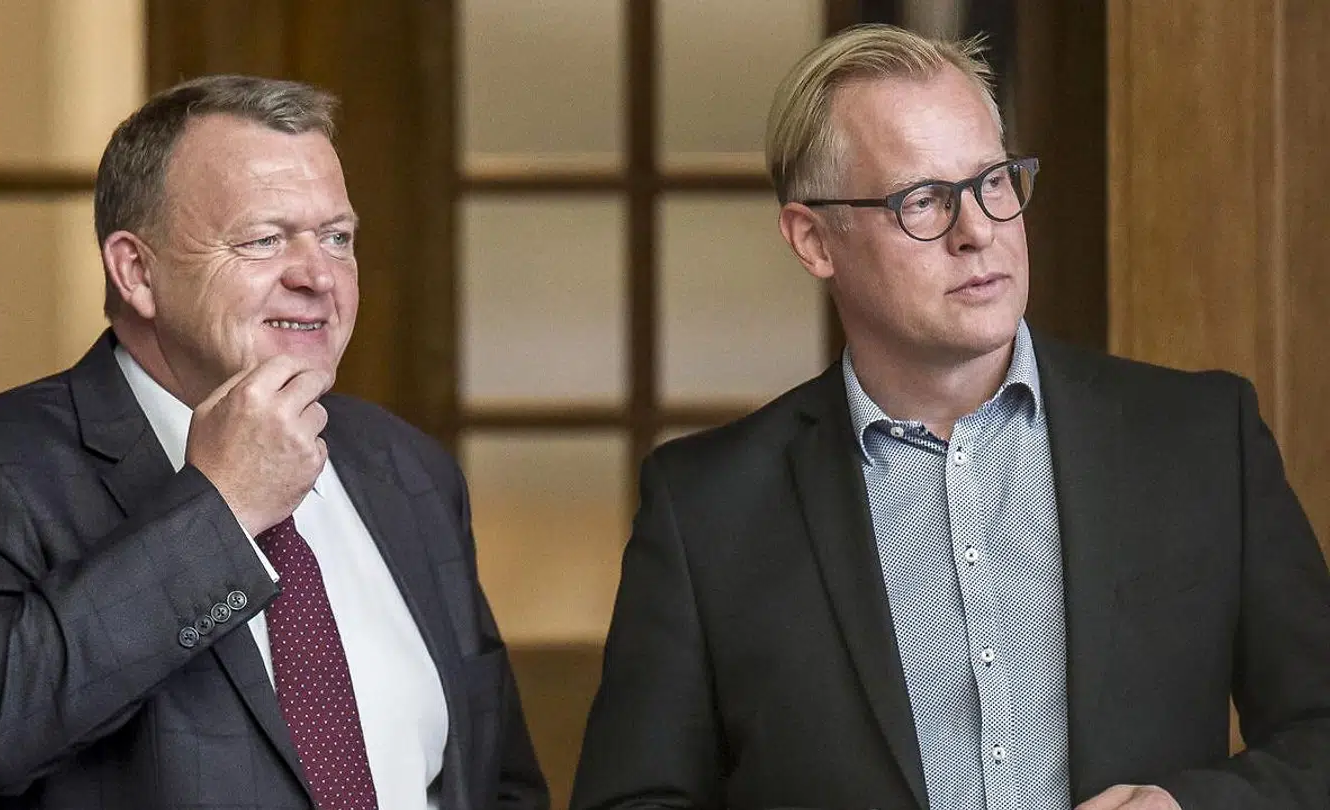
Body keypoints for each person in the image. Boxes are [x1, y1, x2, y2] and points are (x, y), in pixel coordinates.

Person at [570, 24, 1330, 810]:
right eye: (922, 201)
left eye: (993, 182)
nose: (978, 232)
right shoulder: (705, 509)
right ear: (813, 240)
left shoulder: (1199, 439)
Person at [0, 75, 547, 810]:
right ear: (137, 272)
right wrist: (223, 506)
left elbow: (496, 779)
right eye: (264, 240)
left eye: (337, 238)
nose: (317, 276)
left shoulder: (407, 467)